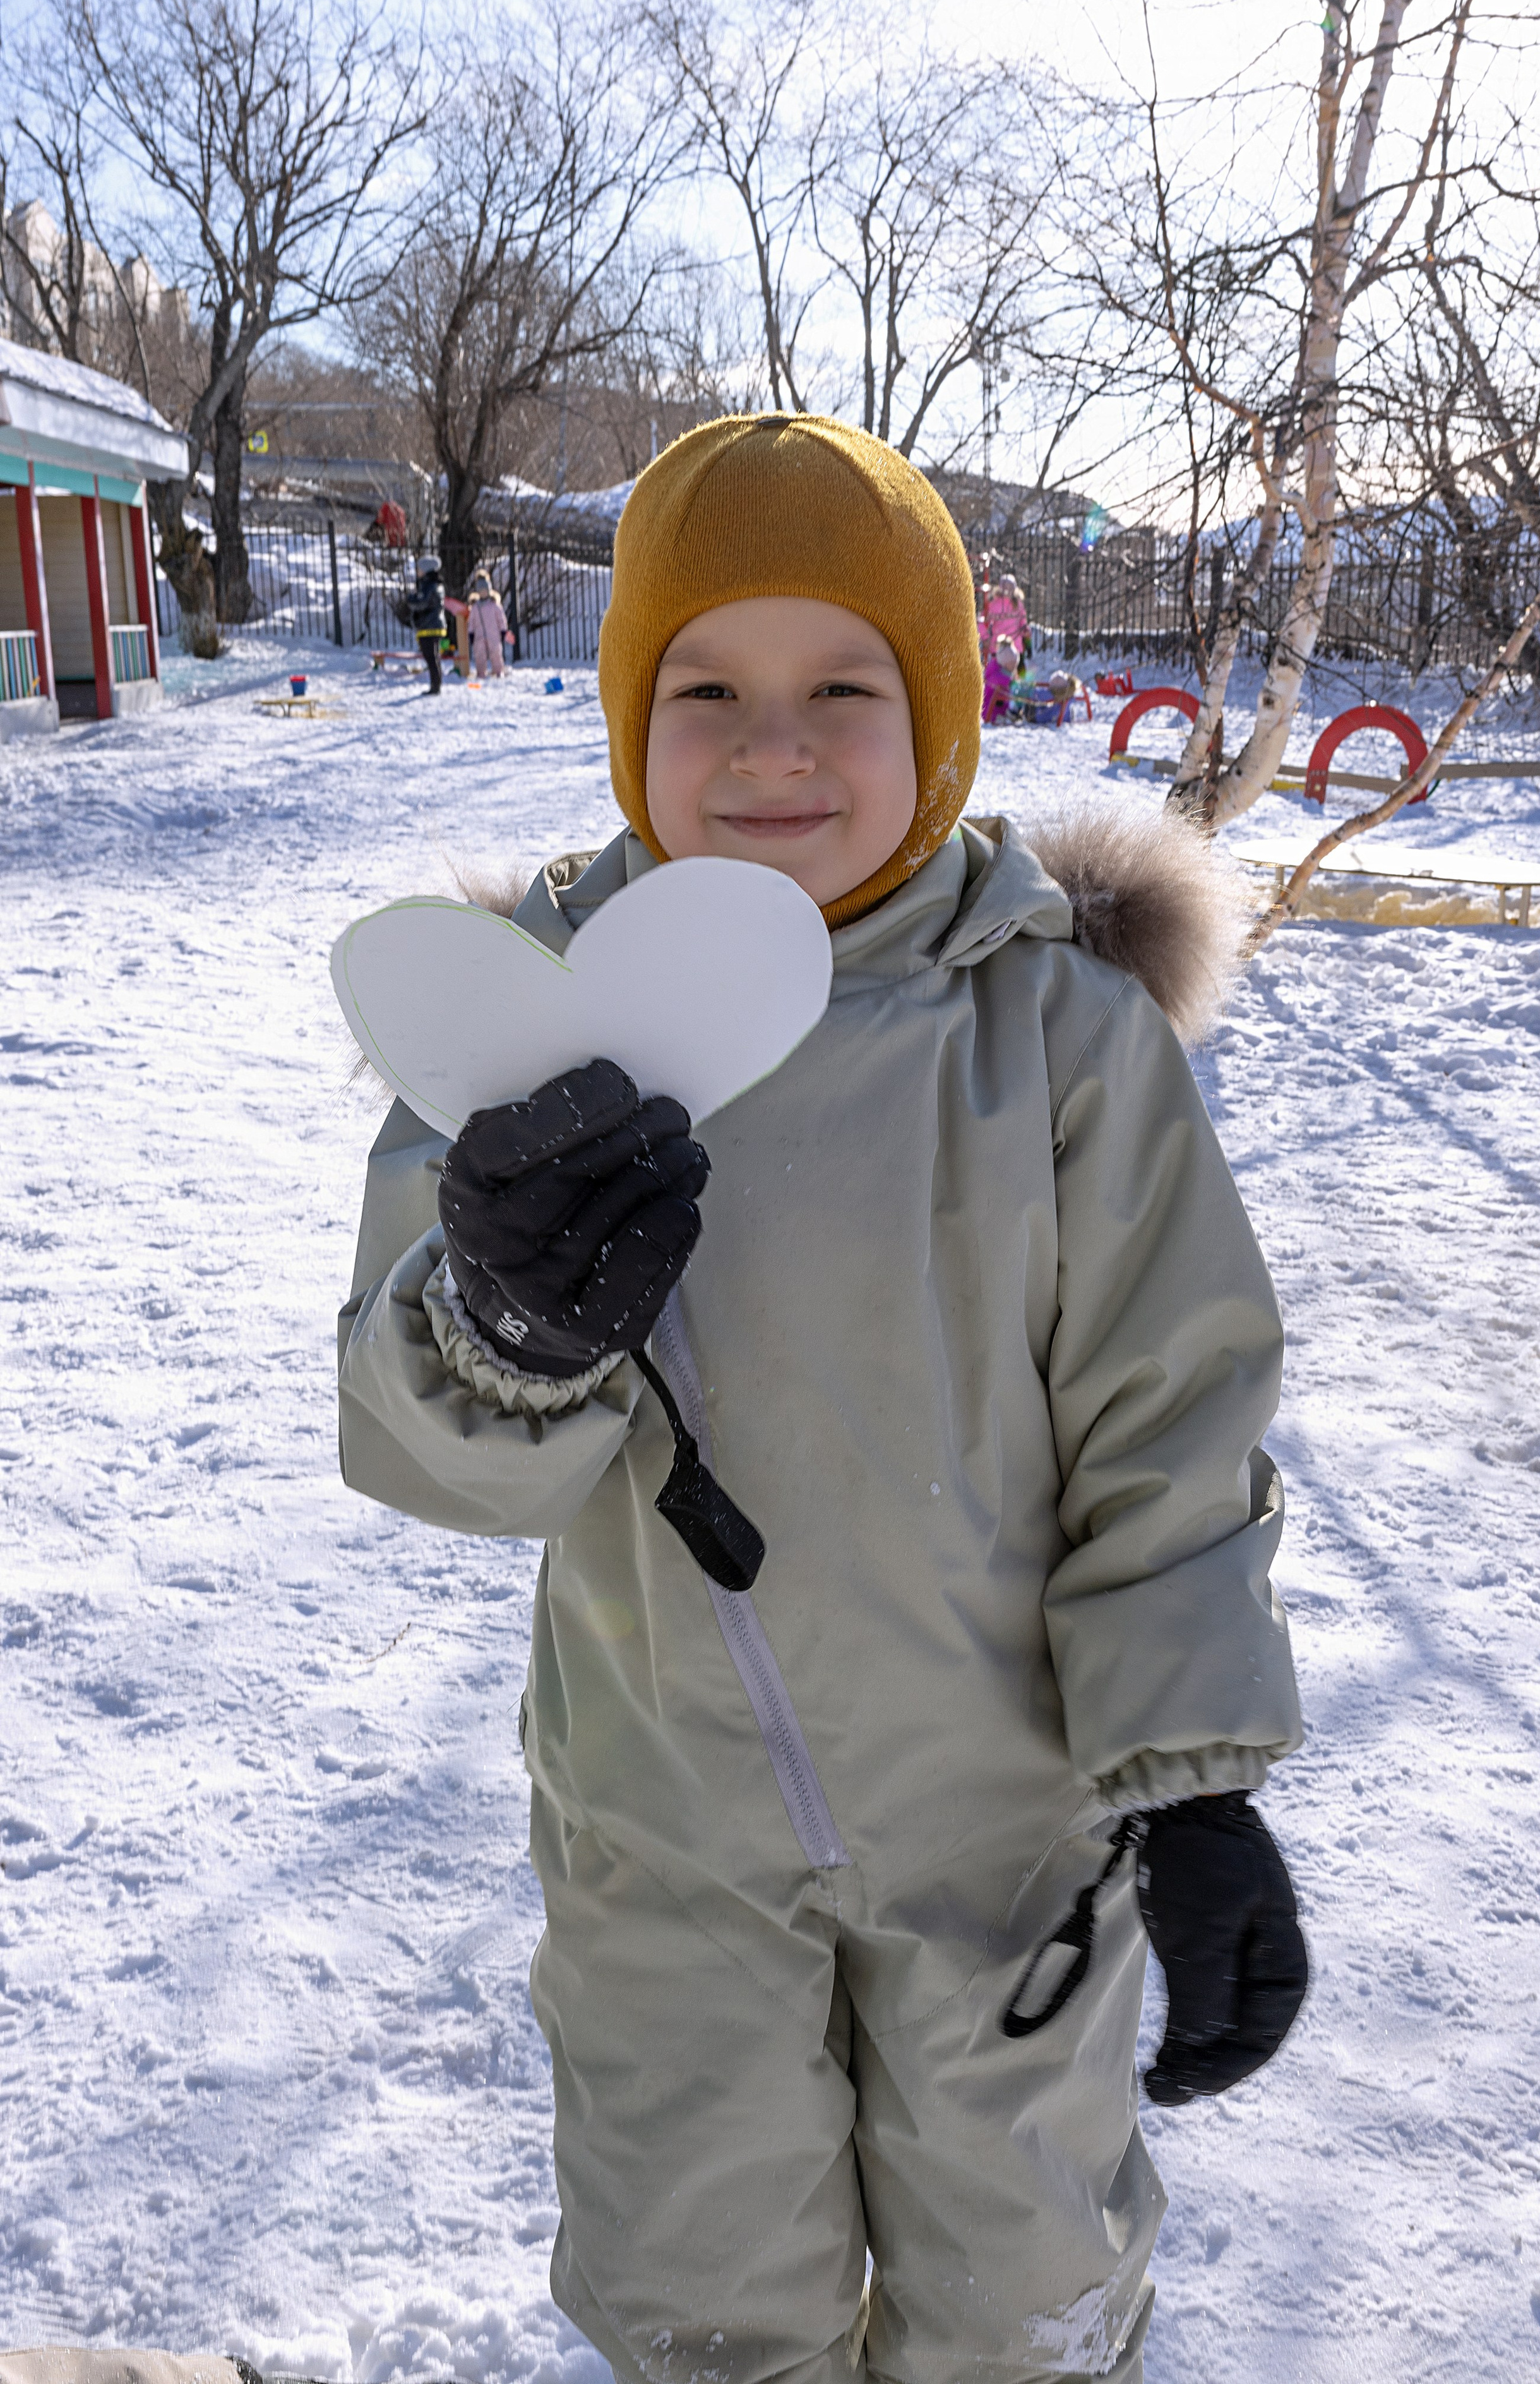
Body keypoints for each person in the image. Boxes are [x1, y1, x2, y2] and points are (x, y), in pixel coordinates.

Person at [337, 415, 1307, 2384]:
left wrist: (1190, 1777)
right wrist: (504, 1325)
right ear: (631, 718)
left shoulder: (1054, 1037)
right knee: (708, 2306)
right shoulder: (537, 1017)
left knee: (1017, 2300)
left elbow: (1168, 1422)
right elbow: (409, 1426)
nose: (773, 746)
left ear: (940, 713)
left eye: (839, 688)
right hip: (659, 1844)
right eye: (708, 688)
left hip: (1003, 1842)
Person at [404, 553, 448, 695]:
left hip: (430, 626)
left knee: (432, 658)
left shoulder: (430, 586)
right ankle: (436, 685)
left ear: (426, 570)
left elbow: (422, 603)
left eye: (419, 569)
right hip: (430, 625)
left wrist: (411, 599)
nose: (417, 571)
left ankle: (436, 687)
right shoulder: (429, 585)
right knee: (432, 658)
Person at [466, 570, 512, 679]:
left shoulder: (494, 605)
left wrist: (503, 630)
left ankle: (498, 671)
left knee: (496, 653)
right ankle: (481, 672)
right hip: (479, 635)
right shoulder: (475, 607)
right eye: (481, 591)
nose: (483, 593)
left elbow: (501, 619)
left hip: (493, 634)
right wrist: (471, 633)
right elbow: (471, 621)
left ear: (489, 591)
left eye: (485, 591)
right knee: (480, 654)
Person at [983, 569, 1029, 662]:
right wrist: (985, 637)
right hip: (998, 649)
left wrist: (1026, 631)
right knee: (999, 675)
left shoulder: (1019, 604)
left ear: (1014, 588)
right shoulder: (994, 604)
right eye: (1005, 586)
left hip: (1016, 649)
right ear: (1000, 587)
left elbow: (1023, 623)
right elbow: (982, 622)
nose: (1007, 590)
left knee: (1018, 675)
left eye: (1010, 587)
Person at [982, 632, 1017, 723]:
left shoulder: (1005, 671)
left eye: (1015, 664)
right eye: (1012, 664)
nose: (1014, 667)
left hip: (1001, 708)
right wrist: (1010, 681)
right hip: (990, 710)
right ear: (1005, 663)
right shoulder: (996, 671)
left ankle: (1012, 713)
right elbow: (996, 679)